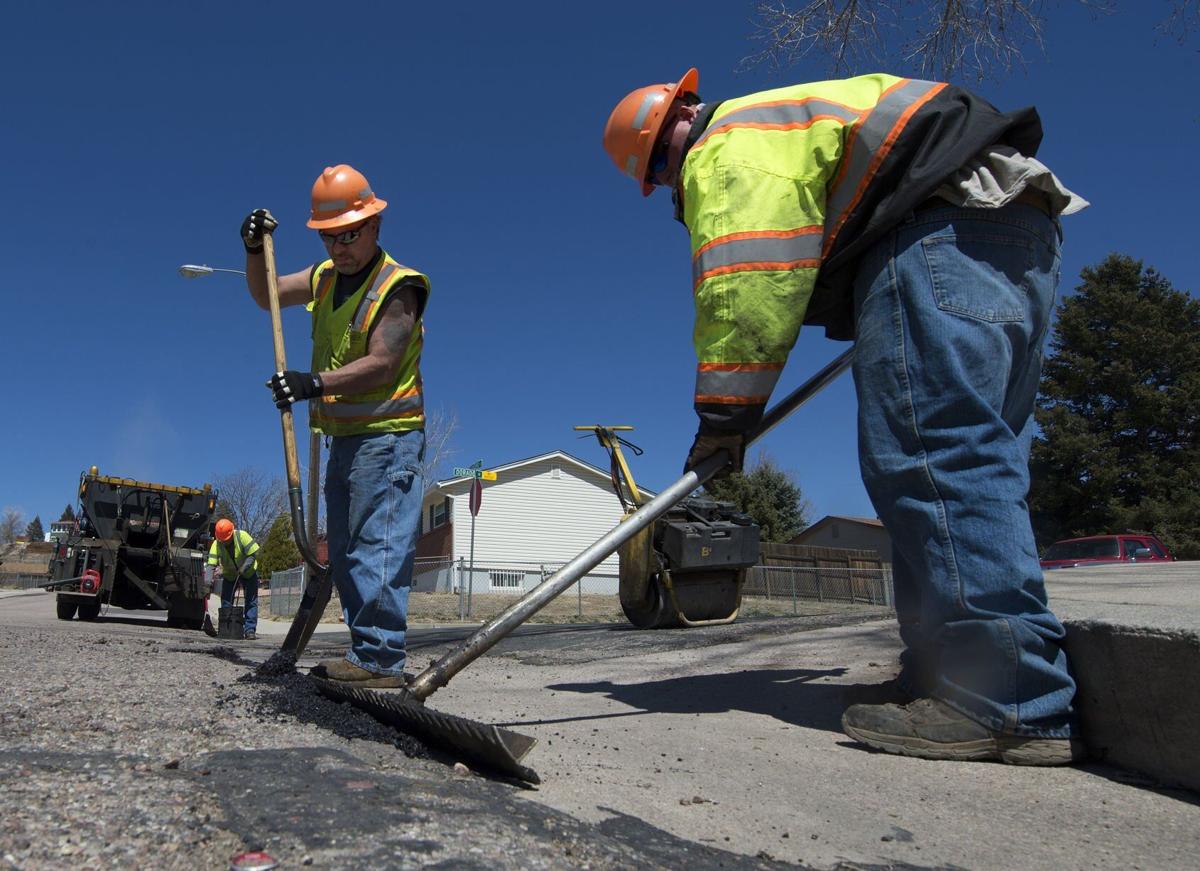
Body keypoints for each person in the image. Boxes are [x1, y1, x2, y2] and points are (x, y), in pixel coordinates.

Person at [603, 69, 1088, 764]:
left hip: (934, 226)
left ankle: (1005, 697)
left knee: (934, 455)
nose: (670, 175)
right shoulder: (786, 120)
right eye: (657, 168)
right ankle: (948, 676)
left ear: (684, 117)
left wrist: (724, 417)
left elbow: (748, 284)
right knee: (969, 452)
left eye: (659, 159)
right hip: (1012, 224)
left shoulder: (729, 144)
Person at [240, 164, 429, 689]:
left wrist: (313, 383)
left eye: (349, 234)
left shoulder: (398, 286)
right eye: (329, 236)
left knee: (379, 546)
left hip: (387, 439)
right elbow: (267, 295)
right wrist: (255, 250)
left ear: (374, 225)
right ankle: (366, 653)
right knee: (345, 551)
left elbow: (383, 363)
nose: (339, 246)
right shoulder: (324, 279)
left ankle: (382, 660)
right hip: (344, 439)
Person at [207, 518, 261, 640]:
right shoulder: (217, 543)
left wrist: (243, 568)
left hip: (248, 573)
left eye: (226, 540)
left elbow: (252, 555)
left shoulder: (242, 536)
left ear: (231, 532)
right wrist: (207, 582)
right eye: (222, 540)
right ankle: (227, 628)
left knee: (251, 601)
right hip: (230, 575)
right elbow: (211, 565)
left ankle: (249, 630)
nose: (224, 543)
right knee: (226, 600)